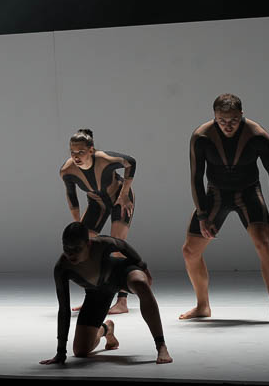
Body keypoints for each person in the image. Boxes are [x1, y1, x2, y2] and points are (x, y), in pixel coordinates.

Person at [180, 93, 269, 325]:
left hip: (248, 193)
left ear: (241, 115)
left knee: (264, 245)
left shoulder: (257, 135)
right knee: (190, 251)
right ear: (214, 116)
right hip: (216, 194)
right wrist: (202, 215)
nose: (227, 126)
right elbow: (196, 177)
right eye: (222, 121)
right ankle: (202, 306)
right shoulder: (201, 136)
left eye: (233, 121)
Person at [40, 222, 171, 365]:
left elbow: (123, 246)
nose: (71, 254)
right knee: (80, 351)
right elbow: (64, 309)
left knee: (140, 283)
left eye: (77, 249)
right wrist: (61, 352)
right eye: (67, 248)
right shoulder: (62, 268)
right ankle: (106, 328)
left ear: (88, 244)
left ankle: (161, 346)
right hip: (97, 293)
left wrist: (142, 267)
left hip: (120, 273)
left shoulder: (101, 243)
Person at [59, 129, 137, 314]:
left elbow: (131, 162)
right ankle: (93, 298)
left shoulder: (104, 159)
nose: (76, 156)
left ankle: (122, 301)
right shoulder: (67, 170)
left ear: (91, 150)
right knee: (84, 248)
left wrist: (125, 193)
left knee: (117, 247)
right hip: (97, 204)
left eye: (81, 152)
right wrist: (77, 225)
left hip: (119, 199)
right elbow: (72, 198)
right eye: (73, 152)